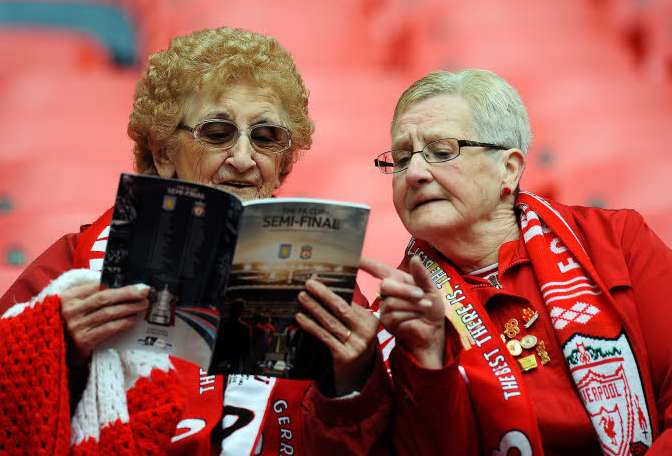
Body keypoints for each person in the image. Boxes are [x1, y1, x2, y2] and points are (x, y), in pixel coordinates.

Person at [0, 27, 389, 455]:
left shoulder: (327, 280)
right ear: (164, 152)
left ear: (283, 163)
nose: (243, 159)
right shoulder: (75, 265)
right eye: (217, 132)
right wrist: (59, 348)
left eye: (265, 138)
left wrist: (352, 383)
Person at [360, 69, 672, 455]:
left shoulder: (616, 242)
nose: (415, 174)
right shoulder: (399, 317)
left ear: (508, 168)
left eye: (442, 152)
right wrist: (428, 361)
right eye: (402, 158)